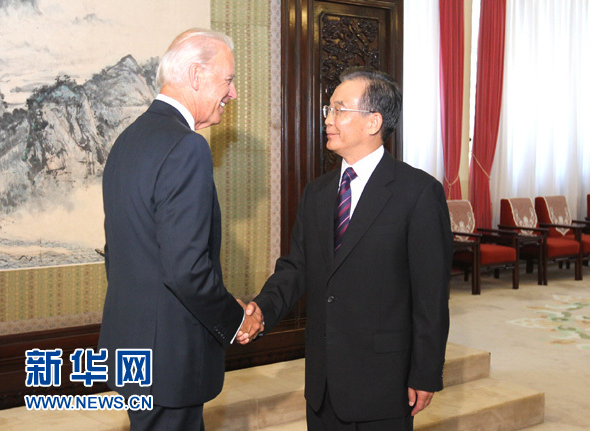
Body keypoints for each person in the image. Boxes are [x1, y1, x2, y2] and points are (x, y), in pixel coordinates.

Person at [246, 67, 452, 430]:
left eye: (339, 109)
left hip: (383, 382)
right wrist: (261, 310)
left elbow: (430, 295)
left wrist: (426, 372)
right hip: (323, 383)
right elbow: (296, 267)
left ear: (373, 122)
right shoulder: (318, 192)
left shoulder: (418, 193)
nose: (328, 118)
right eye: (328, 109)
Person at [98, 28, 263, 431]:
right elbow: (186, 269)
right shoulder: (187, 146)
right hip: (169, 357)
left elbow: (122, 250)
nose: (233, 92)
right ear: (196, 75)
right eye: (228, 79)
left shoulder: (129, 140)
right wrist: (236, 319)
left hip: (135, 347)